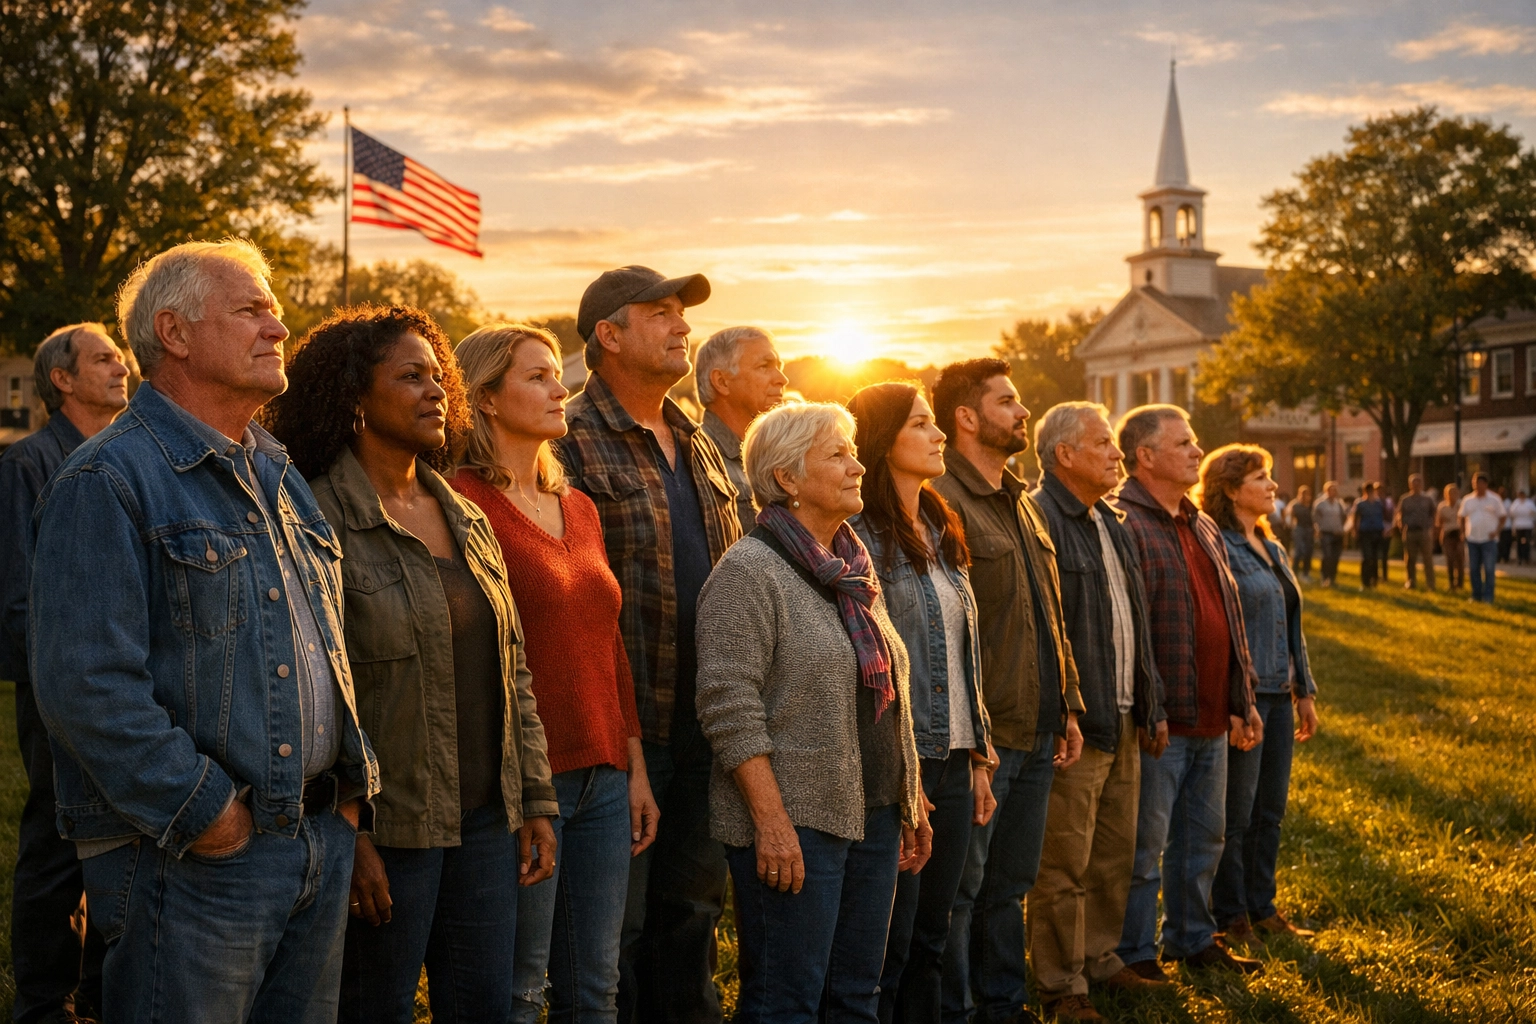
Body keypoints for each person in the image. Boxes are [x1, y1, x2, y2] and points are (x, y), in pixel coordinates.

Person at [28, 240, 378, 1023]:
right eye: (252, 310)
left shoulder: (277, 470)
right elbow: (86, 686)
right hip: (190, 861)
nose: (278, 329)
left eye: (276, 313)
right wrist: (209, 816)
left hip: (312, 843)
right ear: (175, 333)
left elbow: (322, 646)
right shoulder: (106, 479)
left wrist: (344, 804)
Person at [266, 306, 559, 1023]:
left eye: (439, 377)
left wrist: (536, 798)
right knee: (375, 1008)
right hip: (388, 831)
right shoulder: (312, 518)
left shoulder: (464, 514)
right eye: (410, 376)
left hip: (487, 824)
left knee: (484, 1007)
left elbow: (512, 669)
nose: (435, 391)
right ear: (354, 398)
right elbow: (312, 687)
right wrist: (351, 833)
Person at [450, 323, 661, 1023]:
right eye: (536, 376)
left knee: (594, 987)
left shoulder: (581, 508)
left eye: (555, 374)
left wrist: (632, 764)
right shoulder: (459, 503)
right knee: (519, 990)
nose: (558, 387)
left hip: (603, 776)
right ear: (483, 398)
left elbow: (609, 646)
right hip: (518, 782)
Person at [694, 401, 929, 1024]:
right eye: (837, 455)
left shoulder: (851, 567)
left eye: (852, 452)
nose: (857, 467)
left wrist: (910, 795)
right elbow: (728, 709)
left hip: (874, 814)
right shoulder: (748, 572)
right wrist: (772, 824)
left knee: (856, 998)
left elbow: (885, 694)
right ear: (787, 479)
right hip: (798, 826)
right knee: (785, 1003)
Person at [553, 266, 742, 1024]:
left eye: (682, 314)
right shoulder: (565, 439)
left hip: (710, 718)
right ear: (609, 334)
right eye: (660, 313)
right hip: (622, 731)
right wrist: (622, 740)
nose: (682, 327)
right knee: (615, 931)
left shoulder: (697, 439)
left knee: (693, 911)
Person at [928, 358, 1085, 1024]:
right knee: (964, 889)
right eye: (1007, 401)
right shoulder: (940, 500)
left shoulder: (1021, 499)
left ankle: (1003, 1004)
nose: (1023, 413)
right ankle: (956, 1010)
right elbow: (938, 630)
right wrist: (973, 741)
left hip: (1041, 726)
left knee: (1010, 885)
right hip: (984, 737)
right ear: (966, 416)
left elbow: (1050, 613)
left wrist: (1069, 705)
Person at [844, 381, 995, 1024]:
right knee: (890, 944)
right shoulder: (859, 537)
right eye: (920, 425)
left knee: (935, 934)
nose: (938, 436)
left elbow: (965, 653)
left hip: (956, 755)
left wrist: (980, 753)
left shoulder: (938, 523)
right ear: (882, 441)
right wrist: (905, 771)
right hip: (900, 762)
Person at [1, 322, 128, 1024]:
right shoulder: (27, 465)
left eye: (121, 356)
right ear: (61, 379)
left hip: (125, 689)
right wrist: (60, 690)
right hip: (59, 692)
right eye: (104, 358)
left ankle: (102, 994)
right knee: (56, 847)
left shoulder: (127, 458)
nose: (122, 367)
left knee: (118, 846)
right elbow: (18, 600)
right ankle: (44, 1004)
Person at [1110, 405, 1263, 979]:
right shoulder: (1125, 522)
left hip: (1212, 718)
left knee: (1206, 839)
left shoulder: (1200, 523)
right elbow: (1133, 629)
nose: (1199, 451)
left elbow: (1231, 617)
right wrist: (1152, 711)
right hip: (1161, 722)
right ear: (1145, 456)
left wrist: (1242, 700)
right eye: (1184, 443)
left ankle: (1193, 939)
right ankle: (1135, 954)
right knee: (1144, 847)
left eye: (1196, 441)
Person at [1027, 403, 1168, 1022]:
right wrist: (1066, 709)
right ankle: (1062, 984)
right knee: (1063, 863)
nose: (1118, 455)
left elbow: (1135, 620)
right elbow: (1046, 629)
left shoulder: (1111, 521)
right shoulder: (1041, 517)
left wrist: (1152, 704)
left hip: (1126, 717)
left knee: (1113, 853)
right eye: (1104, 444)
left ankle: (1102, 960)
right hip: (1079, 726)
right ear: (1065, 455)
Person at [1200, 446, 1321, 953]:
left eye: (1270, 477)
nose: (1273, 486)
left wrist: (1305, 690)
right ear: (1230, 489)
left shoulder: (1274, 548)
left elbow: (1294, 625)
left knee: (1271, 810)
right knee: (1238, 814)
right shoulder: (1218, 545)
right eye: (1260, 478)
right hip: (1244, 697)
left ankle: (1263, 904)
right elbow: (1221, 628)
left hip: (1280, 692)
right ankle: (1232, 913)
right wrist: (1234, 699)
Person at [694, 325, 789, 533]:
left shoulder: (778, 457)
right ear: (722, 381)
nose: (782, 379)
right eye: (765, 366)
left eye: (779, 366)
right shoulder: (697, 460)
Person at [1459, 473, 1505, 604]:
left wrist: (1496, 531)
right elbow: (1461, 516)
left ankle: (1488, 597)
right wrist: (1463, 532)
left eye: (1479, 483)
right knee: (1473, 569)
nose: (1477, 486)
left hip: (1489, 539)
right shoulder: (1468, 500)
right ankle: (1476, 595)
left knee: (1489, 569)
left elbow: (1502, 517)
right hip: (1472, 538)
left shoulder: (1494, 499)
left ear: (1485, 484)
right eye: (1474, 483)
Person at [1396, 474, 1438, 591]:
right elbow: (1400, 514)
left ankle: (1431, 584)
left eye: (1418, 482)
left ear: (1421, 484)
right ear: (1410, 485)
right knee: (1410, 559)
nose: (1416, 485)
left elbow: (1433, 514)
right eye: (1413, 482)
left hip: (1424, 531)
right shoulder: (1405, 499)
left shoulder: (1428, 499)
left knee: (1428, 559)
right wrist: (1401, 525)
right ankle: (1410, 581)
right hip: (1410, 531)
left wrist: (1433, 528)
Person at [1351, 483, 1386, 589]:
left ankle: (1374, 579)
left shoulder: (1378, 503)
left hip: (1377, 531)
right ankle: (1365, 581)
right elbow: (1355, 518)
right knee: (1367, 557)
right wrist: (1355, 530)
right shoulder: (1360, 504)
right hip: (1365, 532)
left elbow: (1382, 516)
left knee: (1375, 557)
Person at [1313, 482, 1347, 587]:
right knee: (1327, 556)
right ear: (1326, 491)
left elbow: (1344, 518)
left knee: (1335, 557)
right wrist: (1317, 530)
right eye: (1332, 490)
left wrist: (1342, 529)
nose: (1334, 492)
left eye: (1335, 490)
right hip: (1326, 533)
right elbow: (1315, 519)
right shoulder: (1320, 504)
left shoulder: (1339, 504)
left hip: (1338, 534)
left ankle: (1332, 579)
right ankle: (1325, 578)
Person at [1437, 484, 1465, 591]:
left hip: (1459, 534)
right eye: (1450, 493)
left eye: (1454, 493)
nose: (1452, 495)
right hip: (1448, 534)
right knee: (1450, 559)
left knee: (1460, 560)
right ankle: (1451, 583)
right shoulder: (1442, 507)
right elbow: (1439, 523)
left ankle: (1460, 584)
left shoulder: (1462, 505)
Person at [1286, 485, 1315, 579]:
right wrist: (1291, 526)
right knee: (1299, 551)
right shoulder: (1295, 505)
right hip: (1299, 529)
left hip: (1309, 529)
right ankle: (1294, 572)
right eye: (1305, 494)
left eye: (1308, 494)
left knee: (1308, 551)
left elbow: (1314, 519)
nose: (1307, 496)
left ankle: (1306, 573)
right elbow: (1290, 517)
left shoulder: (1311, 506)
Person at [1509, 490, 1536, 566]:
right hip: (1518, 525)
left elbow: (1533, 512)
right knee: (1519, 542)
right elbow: (1512, 513)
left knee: (1527, 542)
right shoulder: (1516, 503)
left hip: (1527, 525)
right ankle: (1520, 558)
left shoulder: (1529, 503)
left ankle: (1526, 558)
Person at [1497, 486, 1514, 564]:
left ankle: (1506, 558)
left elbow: (1512, 514)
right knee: (1499, 543)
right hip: (1498, 527)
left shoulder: (1508, 502)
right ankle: (1498, 557)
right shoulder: (1497, 501)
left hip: (1507, 526)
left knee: (1507, 543)